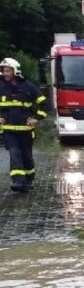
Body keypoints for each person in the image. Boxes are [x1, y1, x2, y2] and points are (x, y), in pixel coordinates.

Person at [0, 57, 49, 193]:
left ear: (15, 71)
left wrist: (36, 119)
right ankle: (17, 181)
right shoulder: (1, 86)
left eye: (8, 71)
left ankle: (28, 179)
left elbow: (44, 104)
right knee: (14, 153)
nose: (5, 74)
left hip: (26, 130)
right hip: (8, 130)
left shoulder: (28, 86)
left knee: (27, 156)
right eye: (4, 71)